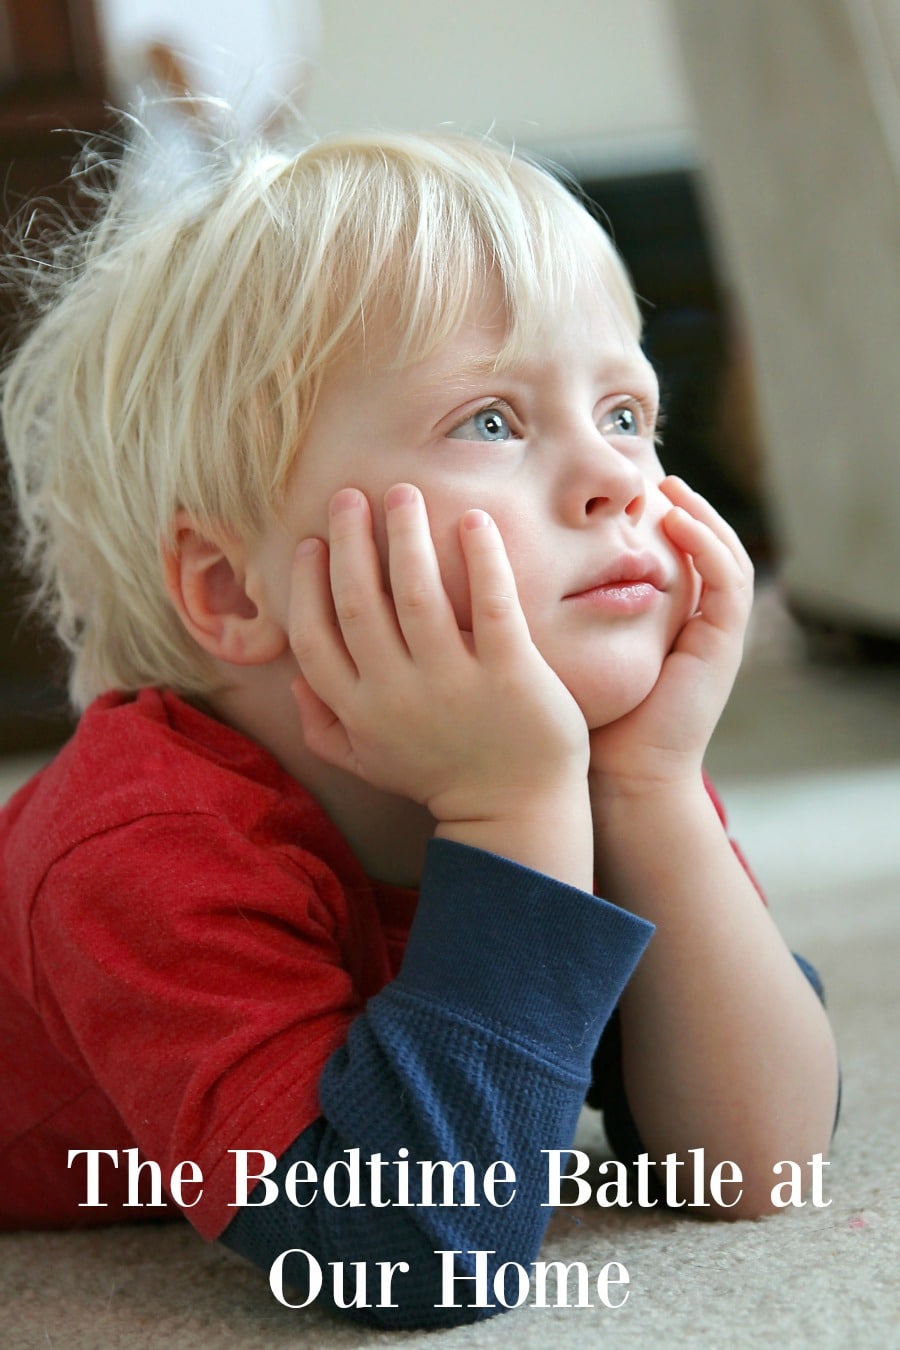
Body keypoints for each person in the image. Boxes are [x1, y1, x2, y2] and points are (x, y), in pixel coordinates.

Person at [0, 122, 839, 1330]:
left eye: (624, 413)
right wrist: (514, 814)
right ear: (235, 589)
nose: (617, 480)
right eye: (490, 421)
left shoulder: (584, 752)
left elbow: (756, 1166)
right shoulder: (139, 846)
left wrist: (650, 797)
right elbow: (404, 1250)